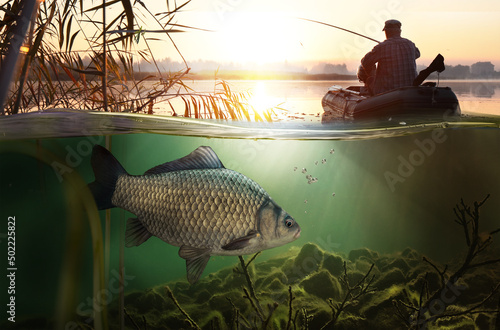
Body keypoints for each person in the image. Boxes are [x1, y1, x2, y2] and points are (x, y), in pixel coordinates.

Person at [358, 19, 420, 95]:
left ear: (386, 32)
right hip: (411, 91)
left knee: (370, 80)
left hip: (387, 93)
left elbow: (365, 62)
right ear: (400, 31)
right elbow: (417, 54)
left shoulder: (382, 47)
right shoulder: (410, 44)